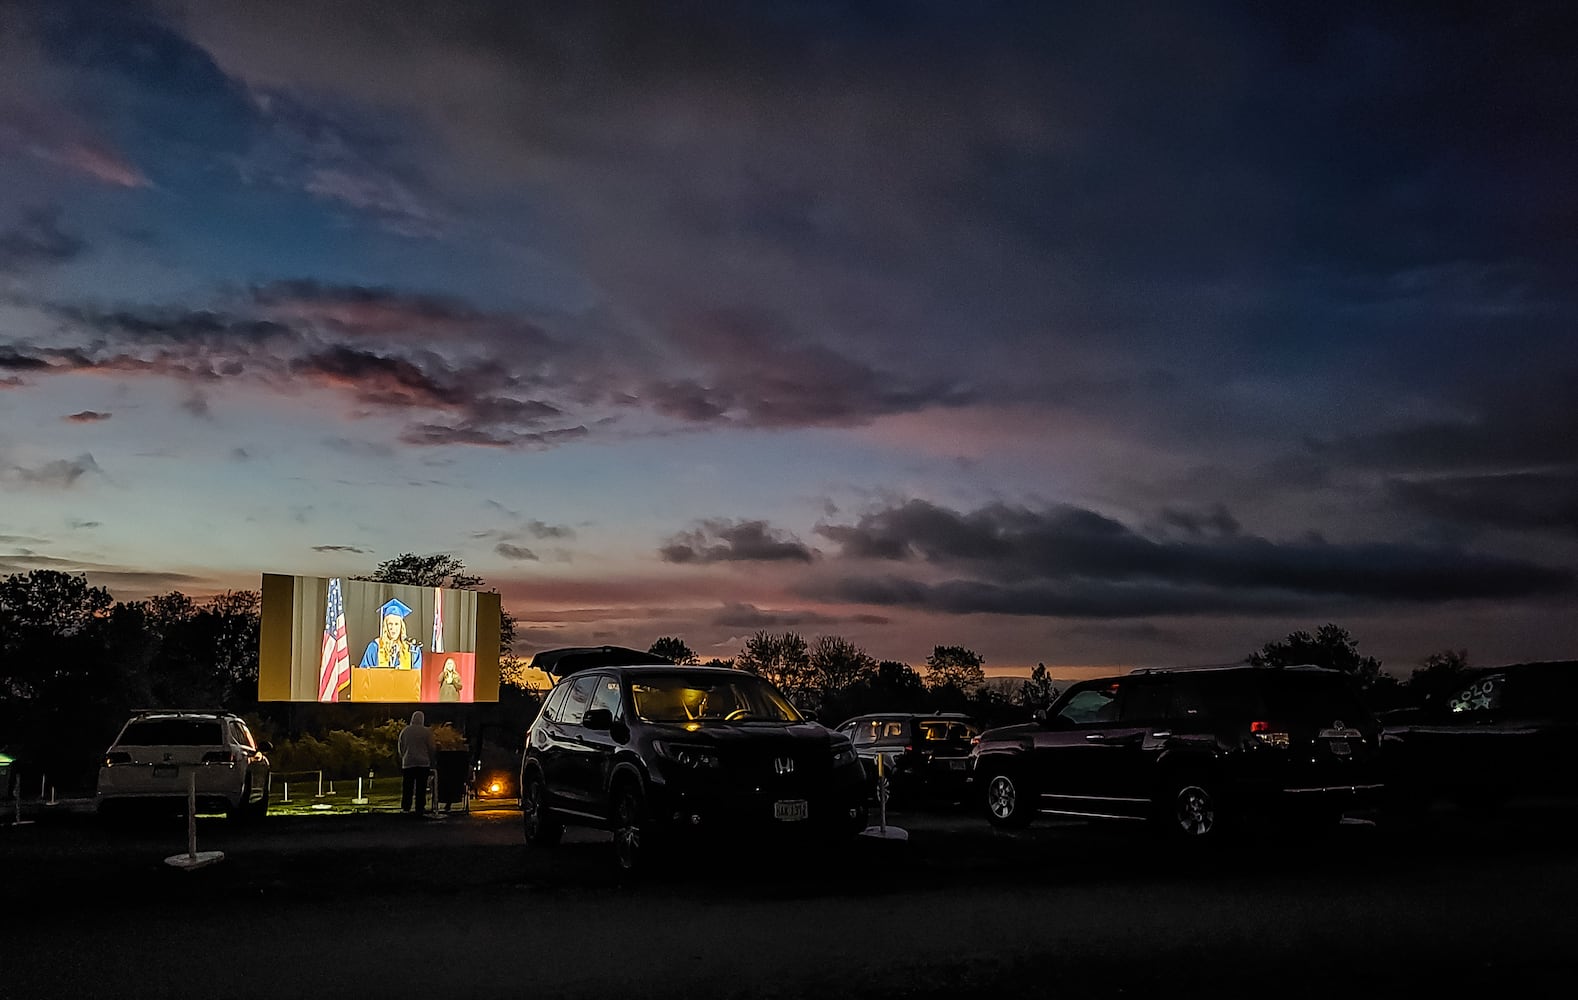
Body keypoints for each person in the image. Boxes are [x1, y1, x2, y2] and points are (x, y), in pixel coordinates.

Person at [360, 598, 422, 671]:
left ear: (401, 626)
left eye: (396, 624)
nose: (393, 628)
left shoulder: (412, 649)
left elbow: (415, 677)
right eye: (390, 624)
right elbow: (364, 672)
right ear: (385, 626)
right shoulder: (375, 647)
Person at [397, 710, 438, 817]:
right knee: (421, 787)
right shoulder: (426, 732)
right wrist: (431, 759)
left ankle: (406, 807)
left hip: (408, 763)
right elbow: (432, 747)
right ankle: (419, 807)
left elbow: (400, 747)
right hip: (423, 763)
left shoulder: (405, 731)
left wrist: (404, 757)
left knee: (407, 786)